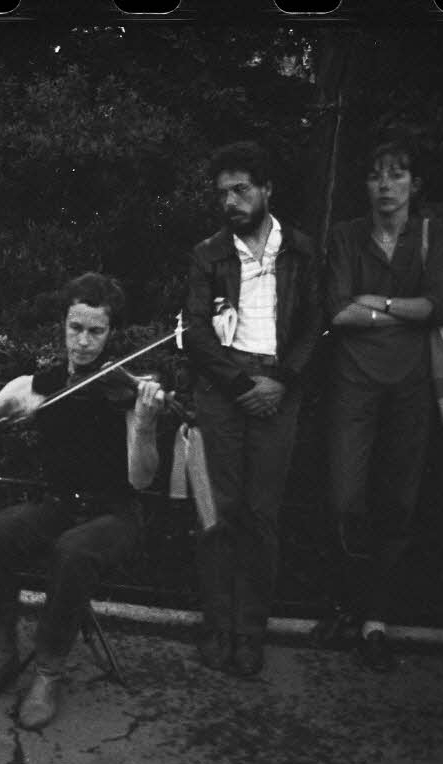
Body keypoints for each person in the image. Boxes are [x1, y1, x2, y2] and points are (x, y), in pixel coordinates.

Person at [0, 272, 166, 730]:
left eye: (96, 331)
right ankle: (1, 655)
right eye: (75, 328)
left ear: (111, 334)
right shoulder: (43, 380)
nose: (84, 342)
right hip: (60, 504)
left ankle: (47, 672)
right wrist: (6, 406)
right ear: (63, 325)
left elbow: (141, 479)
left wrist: (146, 424)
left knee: (72, 551)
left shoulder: (127, 392)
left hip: (115, 514)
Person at [311, 140, 443, 672]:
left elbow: (442, 304)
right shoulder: (348, 236)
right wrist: (404, 311)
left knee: (398, 502)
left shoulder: (429, 235)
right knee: (345, 498)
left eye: (397, 175)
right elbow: (337, 312)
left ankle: (377, 618)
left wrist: (376, 303)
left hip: (411, 388)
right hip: (354, 384)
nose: (386, 185)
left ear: (414, 184)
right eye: (376, 176)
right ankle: (344, 604)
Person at [179, 140, 323, 678]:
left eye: (241, 189)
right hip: (223, 389)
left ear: (267, 190)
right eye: (222, 193)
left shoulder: (301, 251)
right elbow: (196, 329)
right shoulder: (208, 254)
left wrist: (280, 382)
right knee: (219, 513)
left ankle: (250, 633)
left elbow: (313, 326)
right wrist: (241, 384)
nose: (231, 201)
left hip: (279, 389)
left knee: (262, 515)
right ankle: (217, 627)